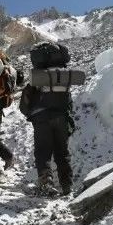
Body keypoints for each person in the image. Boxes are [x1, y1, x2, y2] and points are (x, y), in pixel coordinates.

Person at [19, 41, 75, 195]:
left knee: (43, 152)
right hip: (61, 118)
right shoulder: (64, 78)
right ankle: (67, 186)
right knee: (62, 153)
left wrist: (30, 114)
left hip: (42, 119)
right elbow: (69, 102)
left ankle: (46, 183)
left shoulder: (37, 80)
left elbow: (24, 104)